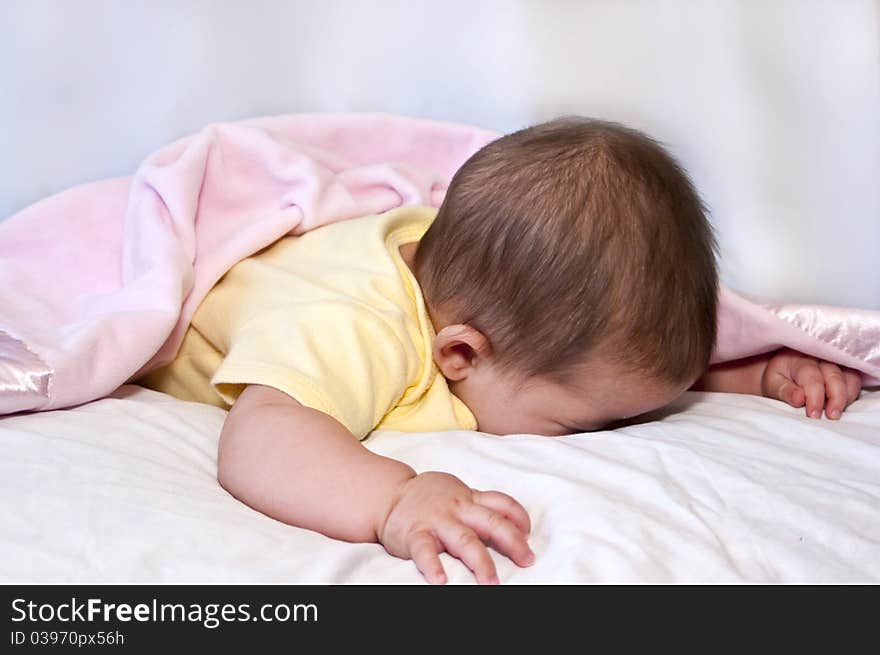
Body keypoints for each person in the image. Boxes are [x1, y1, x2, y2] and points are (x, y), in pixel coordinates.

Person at [139, 117, 863, 584]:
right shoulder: (354, 327)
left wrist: (757, 369)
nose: (607, 434)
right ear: (460, 356)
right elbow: (261, 438)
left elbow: (607, 362)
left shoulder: (492, 292)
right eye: (582, 425)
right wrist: (393, 497)